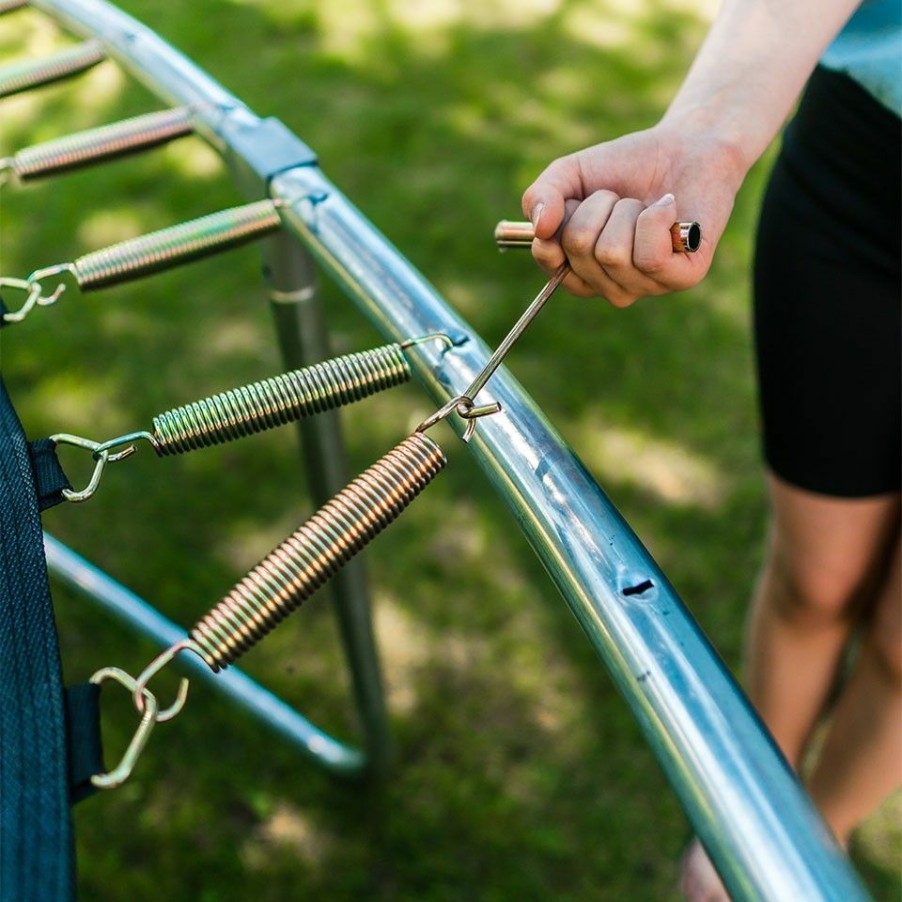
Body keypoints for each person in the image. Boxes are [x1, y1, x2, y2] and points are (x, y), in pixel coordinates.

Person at [521, 1, 901, 899]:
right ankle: (741, 826)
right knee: (815, 579)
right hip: (869, 169)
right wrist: (706, 136)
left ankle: (819, 835)